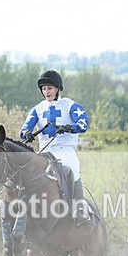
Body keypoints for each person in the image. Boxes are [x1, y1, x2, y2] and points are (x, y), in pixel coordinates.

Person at [20, 70, 92, 226]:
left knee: (72, 168)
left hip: (65, 150)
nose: (46, 92)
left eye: (50, 88)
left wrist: (70, 128)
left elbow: (83, 123)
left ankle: (78, 209)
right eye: (44, 89)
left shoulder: (70, 105)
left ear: (58, 89)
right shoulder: (37, 109)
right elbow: (24, 130)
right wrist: (27, 134)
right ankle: (21, 210)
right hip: (45, 152)